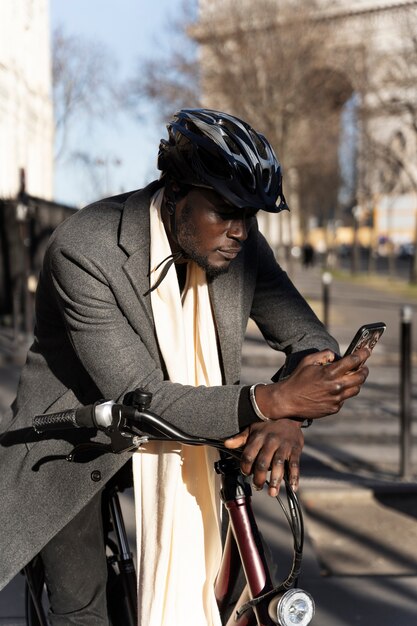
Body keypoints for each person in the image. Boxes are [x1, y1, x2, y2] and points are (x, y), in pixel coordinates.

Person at [0, 108, 369, 625]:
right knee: (83, 610)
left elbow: (306, 335)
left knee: (241, 584)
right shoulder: (85, 247)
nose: (239, 230)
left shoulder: (239, 246)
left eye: (250, 215)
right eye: (223, 210)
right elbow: (139, 394)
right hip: (76, 439)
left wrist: (287, 416)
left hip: (200, 425)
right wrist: (272, 400)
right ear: (173, 194)